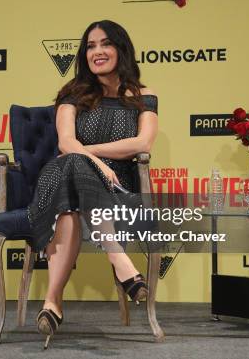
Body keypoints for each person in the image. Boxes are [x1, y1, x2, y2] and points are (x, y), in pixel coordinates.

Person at [27, 20, 159, 349]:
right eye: (90, 45)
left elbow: (143, 143)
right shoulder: (71, 95)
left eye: (105, 44)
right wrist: (94, 162)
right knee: (71, 163)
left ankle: (52, 302)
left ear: (121, 49)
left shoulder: (145, 97)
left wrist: (91, 155)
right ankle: (119, 258)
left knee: (70, 200)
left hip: (118, 184)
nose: (97, 51)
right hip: (66, 174)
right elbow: (66, 142)